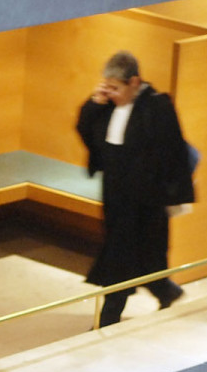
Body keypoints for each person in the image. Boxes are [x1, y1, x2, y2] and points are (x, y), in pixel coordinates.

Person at [76, 50, 195, 328]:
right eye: (108, 87)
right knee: (140, 259)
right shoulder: (106, 107)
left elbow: (171, 153)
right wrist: (95, 102)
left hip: (145, 201)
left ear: (134, 82)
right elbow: (87, 134)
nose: (112, 94)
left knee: (123, 257)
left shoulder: (157, 107)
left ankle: (108, 318)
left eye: (116, 88)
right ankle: (167, 291)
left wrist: (165, 192)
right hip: (116, 198)